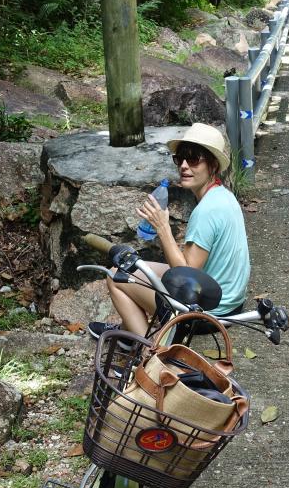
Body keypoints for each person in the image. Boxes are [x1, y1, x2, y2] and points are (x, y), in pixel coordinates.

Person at [88, 123, 251, 337]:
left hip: (206, 313)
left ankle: (150, 353)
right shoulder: (223, 196)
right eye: (180, 157)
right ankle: (128, 332)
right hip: (230, 303)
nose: (184, 165)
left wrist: (163, 228)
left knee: (115, 277)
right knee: (131, 268)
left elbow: (186, 276)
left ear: (213, 165)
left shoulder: (206, 211)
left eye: (193, 159)